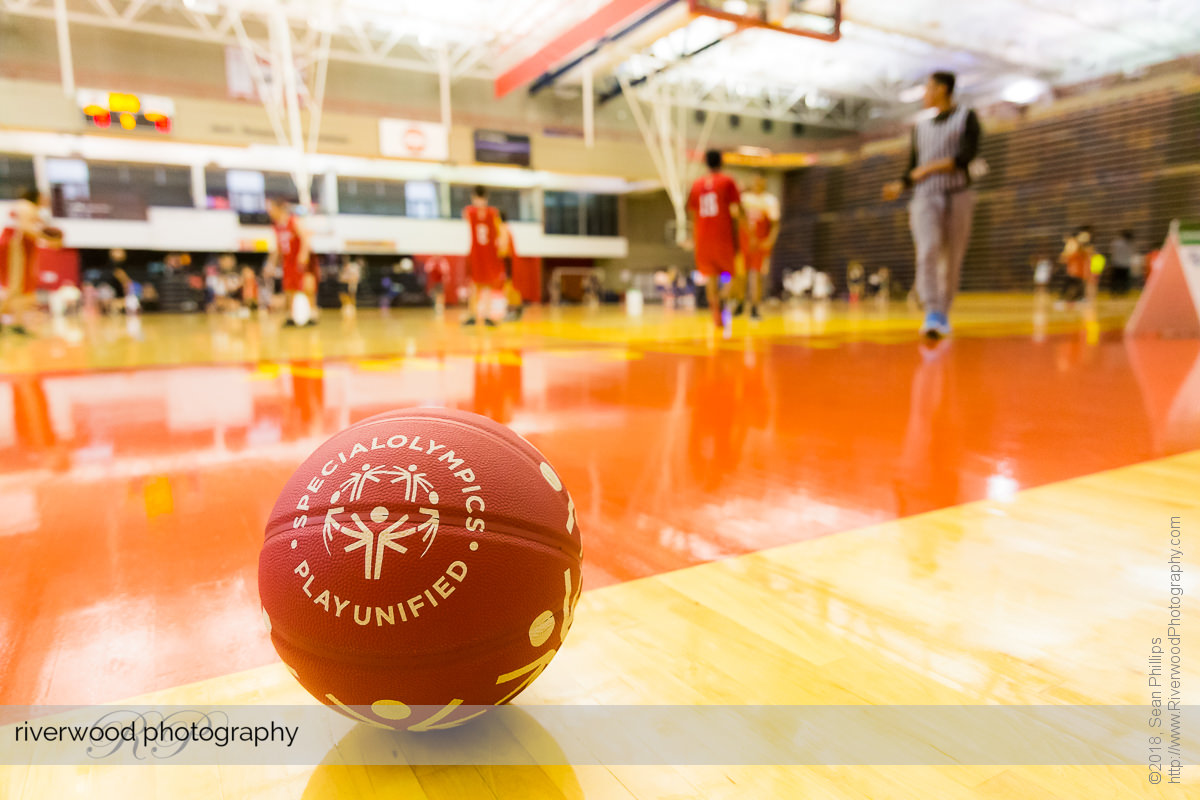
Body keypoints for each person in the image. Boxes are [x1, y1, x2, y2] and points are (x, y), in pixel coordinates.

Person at [883, 70, 982, 339]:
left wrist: (927, 169)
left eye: (928, 88)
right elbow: (912, 168)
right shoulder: (920, 128)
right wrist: (901, 184)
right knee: (928, 249)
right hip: (925, 197)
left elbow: (965, 157)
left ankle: (943, 313)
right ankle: (931, 311)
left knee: (951, 258)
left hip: (958, 194)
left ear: (941, 89)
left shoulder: (967, 118)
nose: (924, 94)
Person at [687, 149, 742, 329]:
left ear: (706, 163)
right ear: (722, 162)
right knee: (732, 274)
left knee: (710, 277)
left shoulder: (697, 184)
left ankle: (715, 314)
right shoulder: (727, 181)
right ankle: (724, 298)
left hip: (702, 237)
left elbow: (693, 213)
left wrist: (692, 236)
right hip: (722, 234)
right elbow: (738, 209)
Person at [1, 187, 59, 335]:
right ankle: (15, 323)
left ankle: (17, 323)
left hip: (22, 247)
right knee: (16, 286)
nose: (46, 201)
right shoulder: (26, 206)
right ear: (37, 196)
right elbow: (25, 227)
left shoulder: (29, 209)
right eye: (44, 197)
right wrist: (49, 237)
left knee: (23, 287)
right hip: (16, 248)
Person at [266, 198, 316, 326]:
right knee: (288, 288)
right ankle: (291, 315)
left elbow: (305, 239)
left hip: (298, 259)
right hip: (287, 261)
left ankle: (312, 314)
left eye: (271, 209)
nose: (269, 212)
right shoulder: (277, 226)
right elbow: (277, 248)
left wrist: (303, 255)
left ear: (278, 208)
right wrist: (271, 264)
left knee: (306, 287)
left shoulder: (293, 221)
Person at [737, 171, 780, 320]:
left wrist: (770, 240)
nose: (756, 184)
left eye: (759, 181)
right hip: (744, 243)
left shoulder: (770, 201)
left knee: (756, 275)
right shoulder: (744, 198)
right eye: (754, 181)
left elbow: (775, 225)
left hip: (760, 244)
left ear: (764, 182)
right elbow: (738, 216)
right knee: (740, 275)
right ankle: (739, 302)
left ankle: (755, 307)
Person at [462, 186, 503, 326]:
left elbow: (500, 231)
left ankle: (486, 315)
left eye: (482, 199)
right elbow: (465, 214)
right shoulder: (470, 212)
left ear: (486, 199)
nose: (479, 202)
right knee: (473, 285)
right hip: (476, 254)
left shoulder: (493, 214)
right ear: (473, 199)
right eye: (477, 199)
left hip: (489, 254)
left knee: (487, 286)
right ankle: (472, 314)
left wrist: (500, 249)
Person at [496, 211, 524, 321]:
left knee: (510, 286)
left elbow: (503, 248)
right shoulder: (506, 228)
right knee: (511, 285)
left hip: (508, 261)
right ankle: (513, 309)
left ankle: (513, 309)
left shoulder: (503, 228)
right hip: (510, 261)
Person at [1058, 226, 1091, 306]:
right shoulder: (1076, 251)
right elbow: (1064, 259)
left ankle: (1076, 298)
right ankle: (1067, 298)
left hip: (1077, 272)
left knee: (1076, 286)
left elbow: (1064, 258)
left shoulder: (1080, 251)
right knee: (1073, 285)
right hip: (1074, 272)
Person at [1109, 230, 1135, 296]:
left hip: (1117, 263)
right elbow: (1132, 253)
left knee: (1116, 279)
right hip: (1126, 264)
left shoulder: (1116, 243)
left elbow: (1112, 252)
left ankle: (1114, 291)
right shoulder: (1130, 244)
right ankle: (1123, 292)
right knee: (1124, 280)